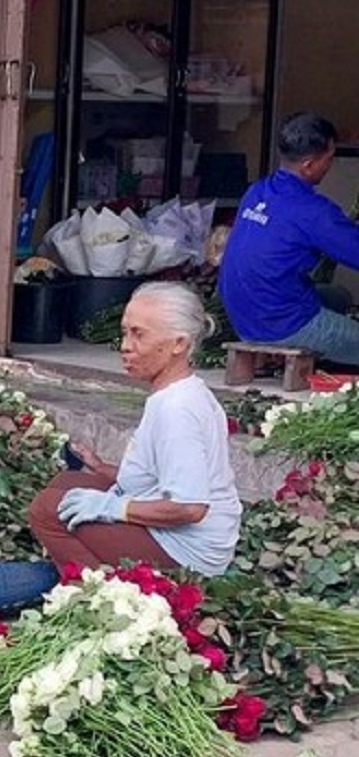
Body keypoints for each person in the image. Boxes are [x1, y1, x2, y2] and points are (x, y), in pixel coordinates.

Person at [28, 282, 242, 576]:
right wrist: (101, 468)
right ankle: (88, 569)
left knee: (47, 509)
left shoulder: (177, 409)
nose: (125, 346)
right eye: (125, 332)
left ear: (178, 344)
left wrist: (113, 508)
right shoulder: (178, 392)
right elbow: (155, 479)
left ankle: (106, 592)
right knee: (67, 482)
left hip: (188, 551)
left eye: (138, 334)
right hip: (179, 531)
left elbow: (190, 508)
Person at [219, 111, 359, 365]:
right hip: (281, 324)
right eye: (329, 158)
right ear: (308, 165)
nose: (330, 165)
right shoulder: (312, 211)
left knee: (337, 296)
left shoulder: (257, 191)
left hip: (243, 315)